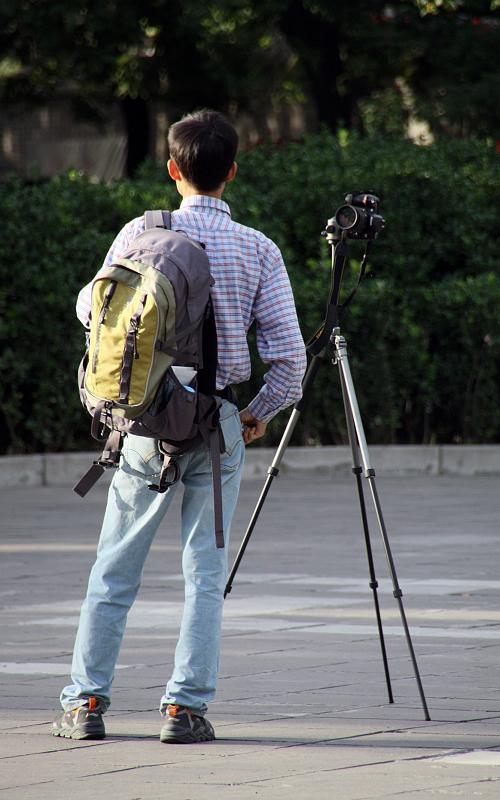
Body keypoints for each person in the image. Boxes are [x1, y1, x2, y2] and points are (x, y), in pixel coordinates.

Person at [49, 109, 306, 744]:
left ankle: (85, 704)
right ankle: (183, 709)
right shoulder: (258, 248)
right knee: (204, 574)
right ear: (232, 172)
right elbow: (291, 362)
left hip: (143, 419)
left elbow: (91, 307)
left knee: (114, 567)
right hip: (217, 419)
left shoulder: (140, 231)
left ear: (172, 169)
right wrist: (255, 413)